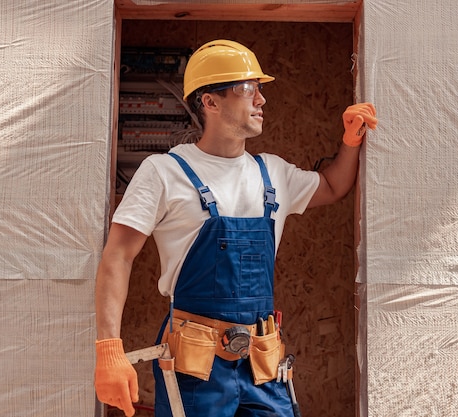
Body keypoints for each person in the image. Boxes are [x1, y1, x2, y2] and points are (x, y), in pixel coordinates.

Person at [94, 39, 377, 417]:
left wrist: (351, 139)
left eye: (260, 90)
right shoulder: (164, 172)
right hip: (195, 365)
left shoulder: (272, 172)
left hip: (262, 362)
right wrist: (108, 348)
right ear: (210, 102)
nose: (261, 100)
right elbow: (118, 255)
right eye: (248, 89)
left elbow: (332, 186)